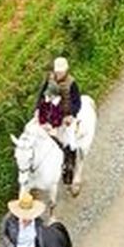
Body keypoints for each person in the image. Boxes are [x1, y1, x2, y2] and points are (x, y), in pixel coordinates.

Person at [35, 54, 83, 184]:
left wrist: (71, 115)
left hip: (66, 117)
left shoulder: (72, 83)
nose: (59, 74)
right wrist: (37, 110)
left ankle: (70, 164)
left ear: (66, 71)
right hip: (50, 115)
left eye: (61, 72)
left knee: (71, 141)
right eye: (57, 72)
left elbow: (77, 102)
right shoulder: (49, 79)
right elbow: (40, 96)